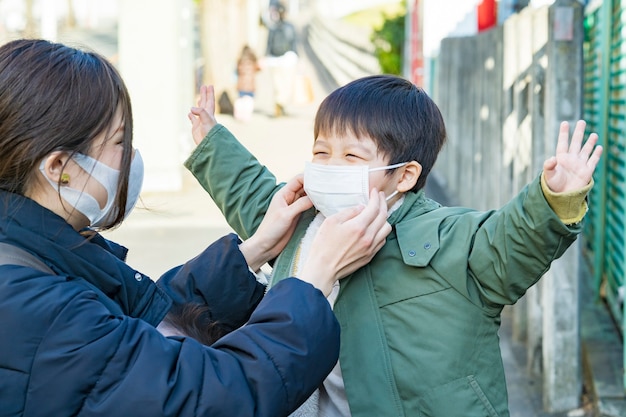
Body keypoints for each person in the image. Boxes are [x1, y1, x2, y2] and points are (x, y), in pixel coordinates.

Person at [0, 39, 392, 417]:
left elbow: (143, 320)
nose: (133, 156)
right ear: (58, 169)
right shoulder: (33, 305)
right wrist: (314, 277)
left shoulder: (37, 254)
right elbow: (212, 393)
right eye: (120, 141)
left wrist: (253, 250)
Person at [186, 76, 603, 417]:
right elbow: (254, 193)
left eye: (351, 156)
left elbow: (511, 242)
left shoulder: (447, 237)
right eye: (321, 151)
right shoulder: (298, 219)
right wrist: (212, 142)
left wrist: (552, 199)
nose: (329, 167)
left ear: (403, 177)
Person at [264, 2, 298, 117]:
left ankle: (279, 105)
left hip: (275, 59)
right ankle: (280, 104)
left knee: (278, 85)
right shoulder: (290, 26)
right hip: (286, 59)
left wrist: (265, 56)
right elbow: (294, 43)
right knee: (286, 84)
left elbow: (268, 44)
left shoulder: (272, 27)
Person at [234, 45, 261, 122]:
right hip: (250, 85)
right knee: (249, 101)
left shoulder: (240, 62)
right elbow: (259, 68)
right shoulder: (253, 62)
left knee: (240, 100)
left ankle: (238, 115)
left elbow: (236, 70)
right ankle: (246, 116)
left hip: (241, 85)